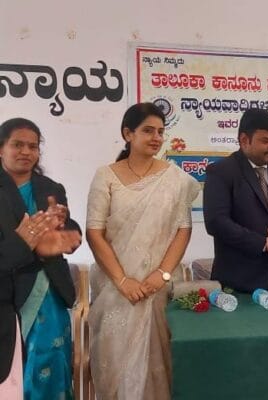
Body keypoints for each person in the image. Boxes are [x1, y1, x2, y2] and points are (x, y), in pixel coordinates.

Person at [86, 103, 199, 399]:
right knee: (117, 367)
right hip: (116, 290)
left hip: (157, 288)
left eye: (161, 132)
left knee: (157, 366)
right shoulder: (106, 175)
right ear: (128, 134)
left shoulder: (175, 178)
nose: (156, 138)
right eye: (148, 131)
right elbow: (94, 232)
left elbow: (183, 230)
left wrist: (161, 274)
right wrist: (123, 281)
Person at [0, 118, 82, 400]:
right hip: (7, 299)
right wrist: (24, 242)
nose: (26, 151)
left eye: (33, 146)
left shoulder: (51, 188)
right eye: (17, 145)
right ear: (1, 148)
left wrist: (65, 231)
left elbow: (69, 232)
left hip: (49, 291)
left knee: (52, 368)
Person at [203, 108, 268, 292]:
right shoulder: (221, 172)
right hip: (239, 282)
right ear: (244, 140)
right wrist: (264, 243)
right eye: (266, 141)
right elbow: (216, 223)